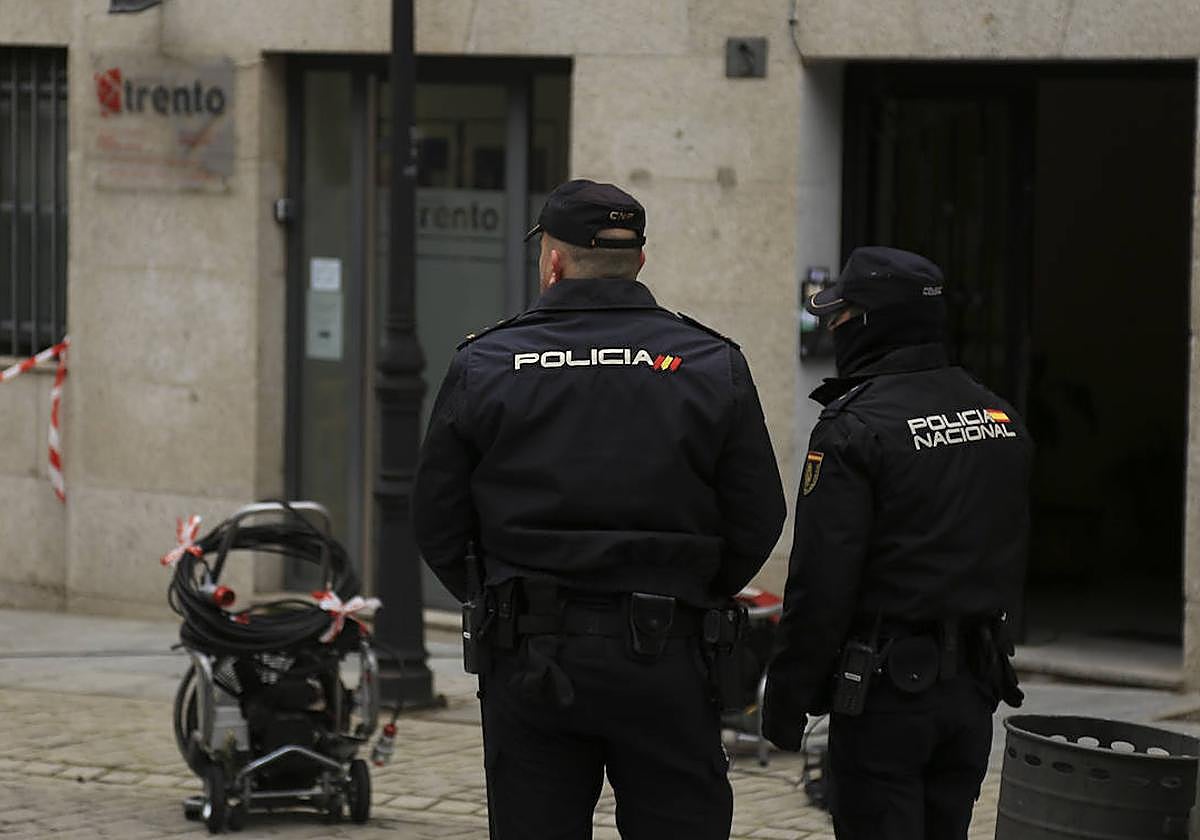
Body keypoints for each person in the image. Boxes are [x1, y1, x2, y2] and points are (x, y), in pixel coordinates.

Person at [412, 179, 787, 840]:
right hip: (669, 656)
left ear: (551, 261)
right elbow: (758, 514)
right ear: (639, 261)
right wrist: (690, 593)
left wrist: (501, 596)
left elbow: (438, 521)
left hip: (530, 654)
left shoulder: (488, 361)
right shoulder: (709, 361)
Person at [761, 246, 1031, 840]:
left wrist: (786, 698)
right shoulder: (999, 417)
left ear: (870, 322)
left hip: (887, 700)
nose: (832, 328)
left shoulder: (853, 429)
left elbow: (821, 583)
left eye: (840, 316)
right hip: (972, 691)